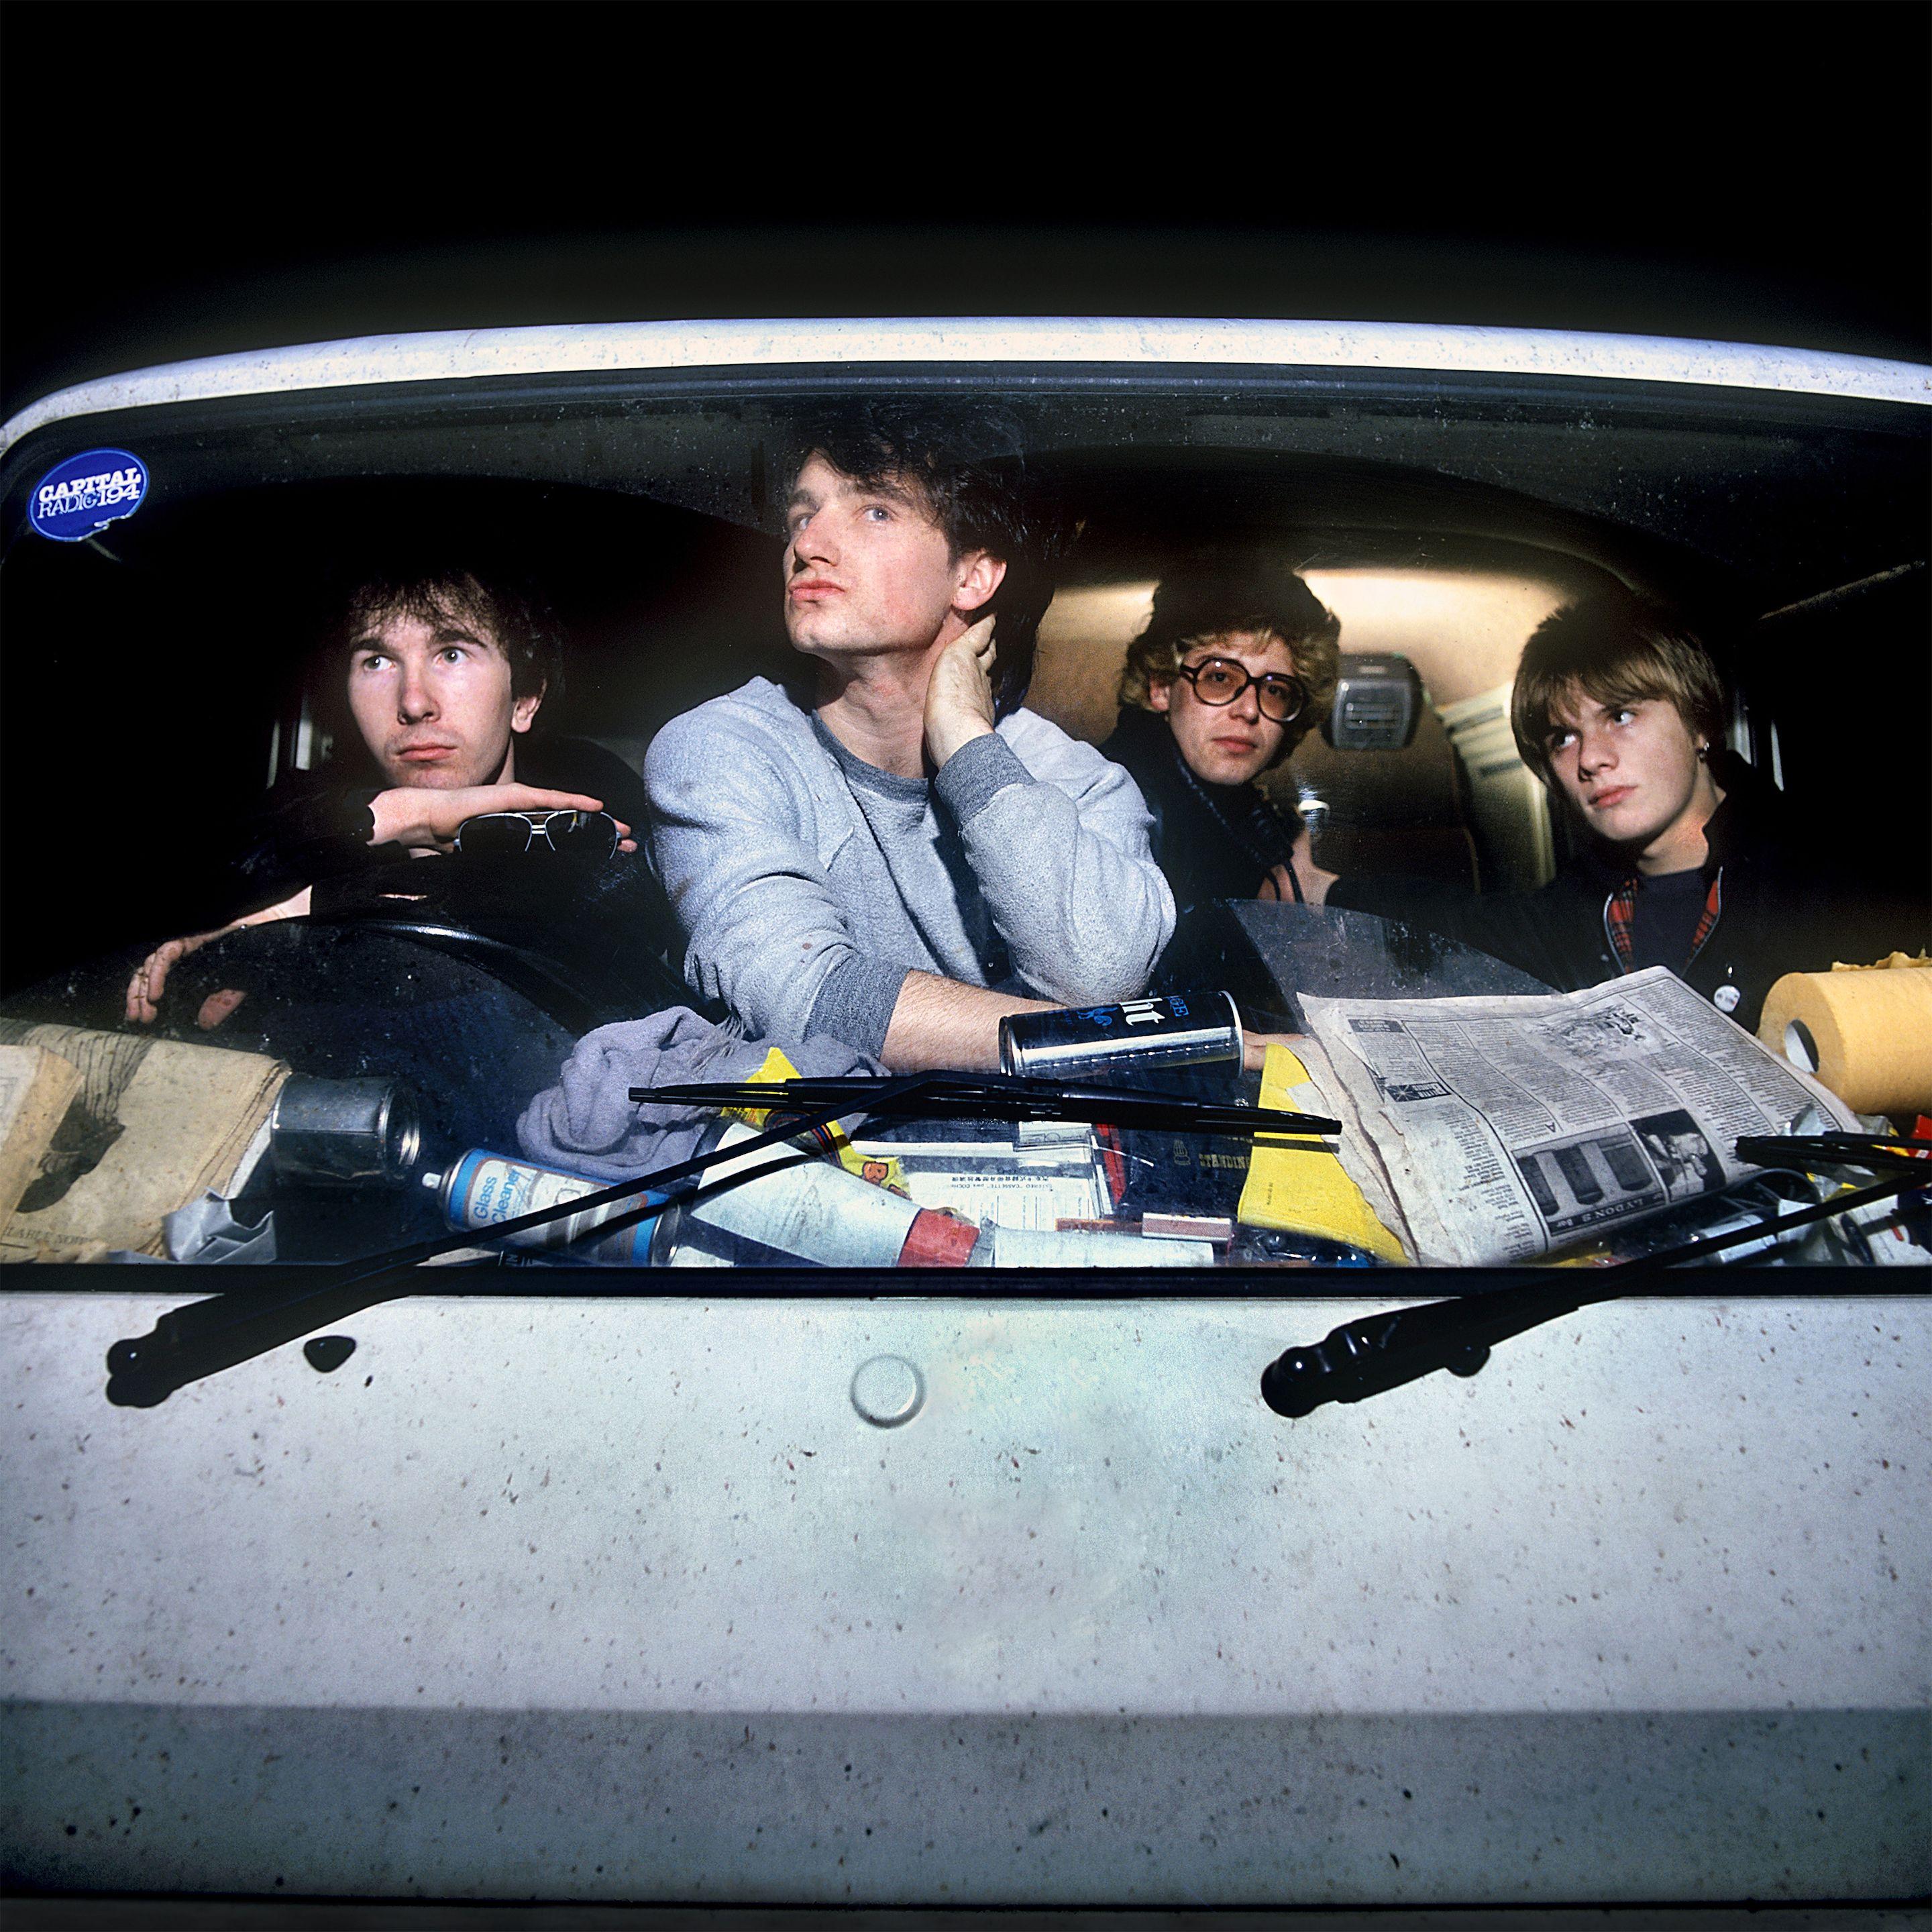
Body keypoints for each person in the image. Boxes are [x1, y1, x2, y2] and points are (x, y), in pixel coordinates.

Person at [643, 405, 1175, 1071]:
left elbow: (1102, 976)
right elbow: (805, 998)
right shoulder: (719, 752)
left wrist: (966, 746)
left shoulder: (1076, 781)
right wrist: (1121, 1038)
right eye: (803, 516)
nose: (808, 544)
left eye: (875, 512)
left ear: (973, 576)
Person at [1293, 592, 1925, 1031]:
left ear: (1701, 721)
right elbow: (1467, 925)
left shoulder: (1839, 882)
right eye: (1563, 737)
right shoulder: (1582, 905)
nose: (1591, 758)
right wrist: (1323, 890)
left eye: (1620, 716)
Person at [127, 564, 645, 1024]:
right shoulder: (308, 809)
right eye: (376, 662)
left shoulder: (586, 787)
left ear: (525, 699)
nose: (414, 702)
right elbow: (203, 871)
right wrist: (405, 815)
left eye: (451, 653)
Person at [1098, 560, 1340, 912]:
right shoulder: (1110, 799)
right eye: (1220, 678)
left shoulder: (1257, 825)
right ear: (1162, 687)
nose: (1249, 710)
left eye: (1275, 691)